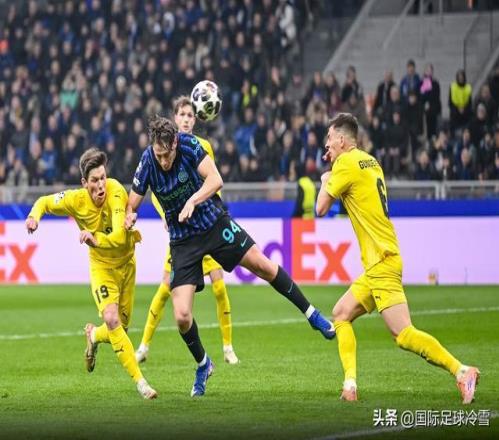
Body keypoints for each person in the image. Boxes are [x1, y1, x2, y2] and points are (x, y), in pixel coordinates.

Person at [125, 115, 335, 397]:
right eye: (158, 155)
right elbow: (132, 203)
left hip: (213, 223)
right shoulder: (148, 160)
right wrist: (130, 216)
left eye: (166, 155)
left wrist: (193, 200)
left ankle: (312, 314)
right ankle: (204, 364)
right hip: (183, 241)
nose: (163, 161)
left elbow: (216, 180)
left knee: (262, 264)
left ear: (175, 143)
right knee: (182, 316)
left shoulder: (189, 145)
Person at [316, 113, 479, 404]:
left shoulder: (345, 164)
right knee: (341, 314)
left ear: (341, 139)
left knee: (403, 334)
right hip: (381, 261)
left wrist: (325, 179)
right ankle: (350, 387)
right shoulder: (370, 162)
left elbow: (320, 208)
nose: (326, 144)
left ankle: (462, 371)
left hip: (381, 262)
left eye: (329, 138)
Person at [25, 148, 157, 400]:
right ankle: (141, 383)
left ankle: (94, 335)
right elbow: (44, 202)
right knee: (112, 319)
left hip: (126, 264)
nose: (101, 185)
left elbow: (119, 238)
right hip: (102, 267)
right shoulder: (75, 200)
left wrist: (95, 239)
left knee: (121, 328)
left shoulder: (116, 191)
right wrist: (34, 217)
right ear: (84, 183)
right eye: (94, 180)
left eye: (103, 177)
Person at [135, 96, 239, 365]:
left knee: (219, 288)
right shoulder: (160, 153)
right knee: (165, 288)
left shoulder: (202, 146)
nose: (186, 119)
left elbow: (213, 182)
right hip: (181, 234)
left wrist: (215, 213)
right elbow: (154, 192)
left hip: (206, 225)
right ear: (174, 119)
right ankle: (144, 345)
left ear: (197, 118)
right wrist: (165, 216)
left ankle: (228, 347)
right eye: (181, 115)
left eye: (190, 115)